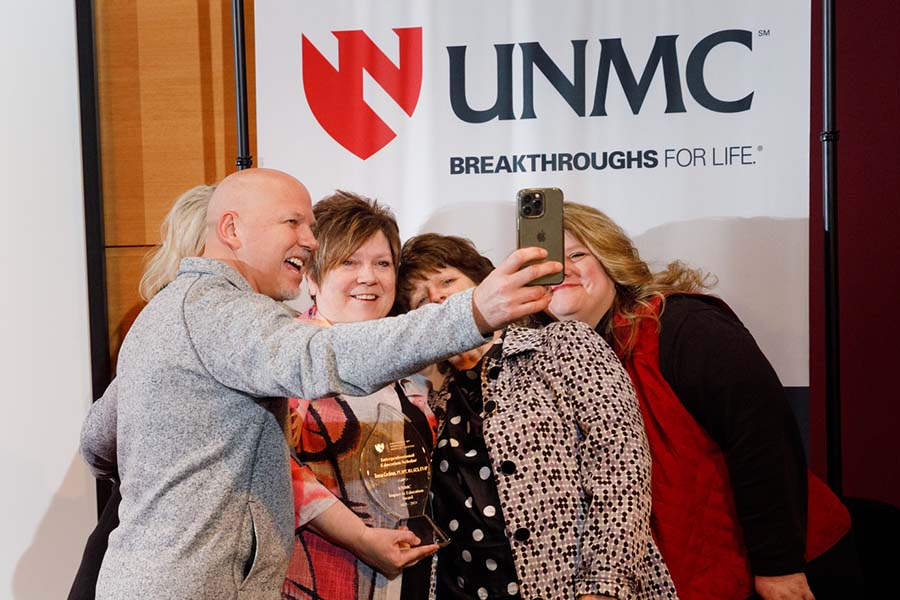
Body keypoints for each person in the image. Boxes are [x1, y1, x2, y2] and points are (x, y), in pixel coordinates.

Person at [79, 168, 562, 600]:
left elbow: (98, 441)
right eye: (292, 223)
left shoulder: (170, 313)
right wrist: (473, 311)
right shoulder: (218, 310)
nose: (309, 241)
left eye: (311, 227)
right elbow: (318, 359)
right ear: (231, 229)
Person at [546, 201, 855, 600]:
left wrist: (778, 567)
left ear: (610, 260)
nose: (563, 270)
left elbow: (763, 440)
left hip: (778, 568)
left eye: (577, 254)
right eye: (548, 262)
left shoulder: (683, 326)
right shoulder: (540, 367)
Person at [396, 233, 677, 600]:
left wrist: (604, 586)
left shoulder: (563, 344)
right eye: (420, 299)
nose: (438, 298)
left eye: (447, 281)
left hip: (577, 590)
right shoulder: (427, 401)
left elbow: (621, 465)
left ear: (486, 285)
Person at [281, 191, 437, 600]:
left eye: (382, 263)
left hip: (414, 576)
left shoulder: (415, 366)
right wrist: (359, 537)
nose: (369, 277)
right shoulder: (286, 355)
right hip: (319, 573)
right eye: (348, 262)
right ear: (312, 277)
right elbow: (276, 470)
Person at [68, 183, 216, 600]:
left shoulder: (162, 316)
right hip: (160, 552)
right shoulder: (177, 323)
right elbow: (98, 437)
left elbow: (97, 440)